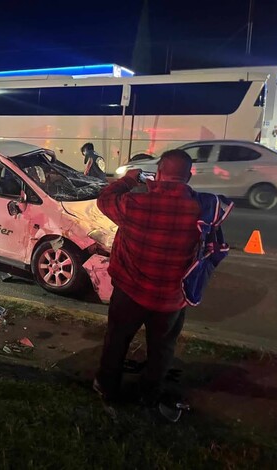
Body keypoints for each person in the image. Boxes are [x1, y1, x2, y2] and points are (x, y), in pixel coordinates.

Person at [93, 149, 201, 407]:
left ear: (160, 172)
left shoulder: (135, 204)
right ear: (188, 176)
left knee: (117, 340)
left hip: (130, 291)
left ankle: (107, 387)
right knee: (162, 348)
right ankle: (149, 392)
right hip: (172, 297)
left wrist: (129, 179)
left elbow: (104, 199)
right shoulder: (201, 209)